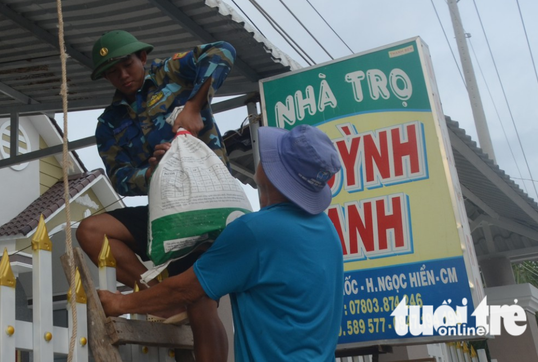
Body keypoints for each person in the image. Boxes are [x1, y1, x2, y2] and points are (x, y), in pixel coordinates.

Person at [98, 123, 345, 362]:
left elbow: (185, 289)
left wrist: (120, 302)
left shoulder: (255, 231)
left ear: (274, 172)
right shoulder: (327, 230)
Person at [75, 30, 236, 362]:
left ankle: (181, 298)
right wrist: (150, 172)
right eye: (112, 71)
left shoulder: (171, 72)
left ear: (143, 58)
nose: (122, 75)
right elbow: (120, 179)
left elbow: (222, 50)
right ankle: (158, 297)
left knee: (201, 304)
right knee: (90, 231)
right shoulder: (109, 123)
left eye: (127, 64)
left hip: (207, 209)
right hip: (163, 213)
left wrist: (193, 106)